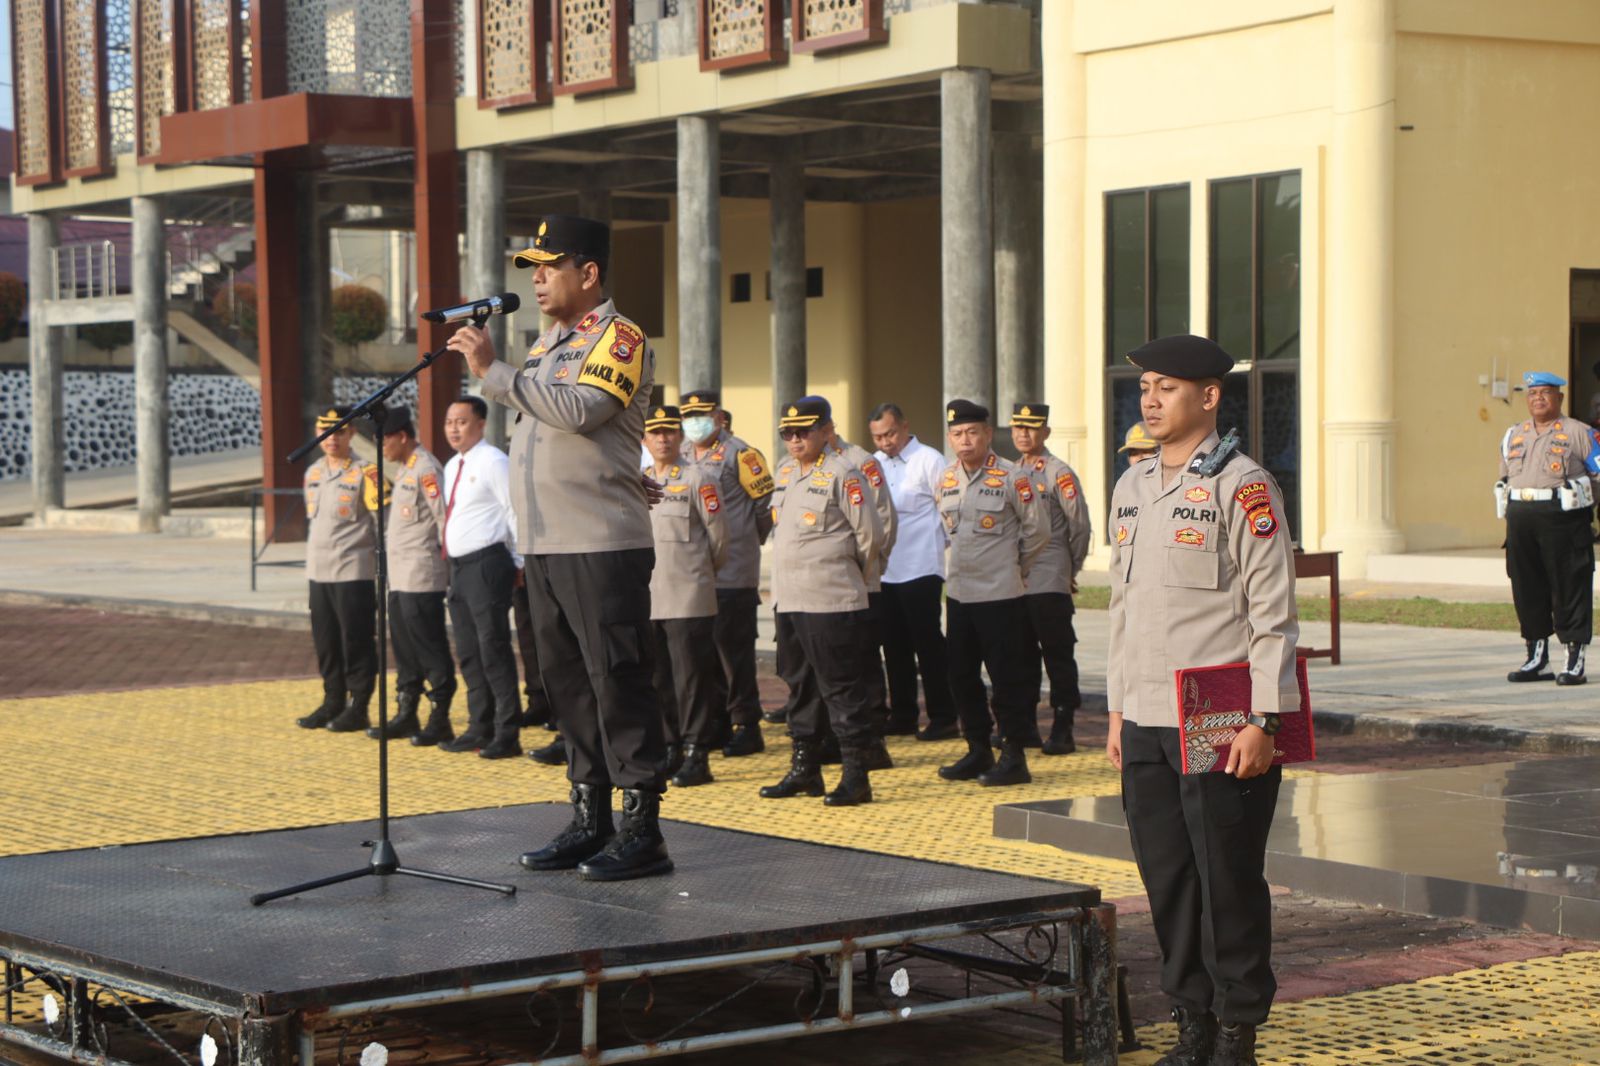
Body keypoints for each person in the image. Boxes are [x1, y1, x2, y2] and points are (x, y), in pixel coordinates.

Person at [451, 213, 672, 883]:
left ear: (590, 272)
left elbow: (580, 411)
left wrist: (492, 372)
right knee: (568, 685)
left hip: (599, 542)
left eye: (550, 266)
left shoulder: (621, 336)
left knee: (617, 680)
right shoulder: (547, 345)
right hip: (545, 543)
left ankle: (642, 829)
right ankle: (590, 817)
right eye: (533, 269)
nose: (538, 279)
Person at [1106, 334, 1300, 1066]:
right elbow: (1123, 610)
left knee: (1228, 883)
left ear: (1210, 396)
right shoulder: (1132, 486)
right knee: (1168, 882)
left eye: (1167, 387)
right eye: (1145, 387)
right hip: (1146, 719)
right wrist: (1118, 710)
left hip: (1219, 721)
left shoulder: (1243, 487)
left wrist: (1263, 719)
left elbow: (1273, 612)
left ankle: (1236, 1032)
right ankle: (1192, 1023)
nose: (1151, 400)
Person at [761, 396, 886, 806]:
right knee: (799, 686)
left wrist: (851, 578)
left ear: (825, 431)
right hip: (790, 599)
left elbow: (870, 536)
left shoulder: (844, 472)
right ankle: (806, 769)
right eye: (788, 433)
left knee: (841, 688)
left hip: (830, 598)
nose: (795, 440)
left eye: (804, 431)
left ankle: (856, 774)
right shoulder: (786, 472)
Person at [935, 400, 1048, 787]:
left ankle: (1013, 755)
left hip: (1001, 595)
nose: (964, 440)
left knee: (1006, 678)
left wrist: (1015, 568)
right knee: (960, 675)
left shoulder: (1014, 476)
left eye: (972, 432)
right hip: (960, 594)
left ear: (987, 434)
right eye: (957, 434)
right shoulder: (946, 479)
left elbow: (1038, 531)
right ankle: (977, 748)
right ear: (950, 438)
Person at [679, 389, 774, 757]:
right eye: (689, 417)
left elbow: (765, 507)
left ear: (719, 417)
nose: (695, 423)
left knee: (734, 652)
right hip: (695, 571)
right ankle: (716, 721)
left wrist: (748, 541)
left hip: (733, 569)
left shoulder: (742, 454)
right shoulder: (681, 454)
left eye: (702, 415)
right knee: (703, 652)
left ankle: (746, 724)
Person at [644, 405, 730, 787]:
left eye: (669, 431)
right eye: (655, 432)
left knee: (692, 679)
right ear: (644, 439)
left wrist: (701, 576)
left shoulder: (699, 478)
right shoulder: (639, 479)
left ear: (679, 437)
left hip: (688, 593)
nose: (663, 439)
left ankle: (697, 752)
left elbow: (719, 539)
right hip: (650, 596)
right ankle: (670, 746)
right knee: (658, 678)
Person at [437, 397, 525, 759]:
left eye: (461, 421)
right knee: (469, 652)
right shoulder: (452, 465)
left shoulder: (494, 461)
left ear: (481, 424)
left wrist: (519, 562)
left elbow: (514, 510)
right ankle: (479, 726)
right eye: (449, 422)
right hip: (459, 568)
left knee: (493, 649)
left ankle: (508, 732)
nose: (454, 429)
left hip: (488, 564)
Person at [1498, 371, 1598, 685]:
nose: (1538, 398)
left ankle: (1574, 661)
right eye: (1533, 393)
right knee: (1526, 587)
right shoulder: (1514, 434)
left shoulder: (1580, 432)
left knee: (1570, 586)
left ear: (1560, 398)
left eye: (1545, 392)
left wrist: (1586, 503)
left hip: (1563, 518)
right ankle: (1537, 659)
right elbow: (1504, 476)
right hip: (1521, 518)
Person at [364, 406, 456, 745]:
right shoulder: (405, 468)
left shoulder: (426, 469)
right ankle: (407, 712)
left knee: (429, 646)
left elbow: (443, 518)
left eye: (384, 441)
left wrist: (452, 566)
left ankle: (440, 716)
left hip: (421, 574)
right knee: (404, 647)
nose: (381, 448)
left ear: (402, 437)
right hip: (400, 576)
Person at [868, 402, 959, 740]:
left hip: (921, 566)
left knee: (928, 643)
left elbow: (948, 509)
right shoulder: (874, 463)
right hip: (886, 569)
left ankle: (943, 716)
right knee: (893, 645)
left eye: (890, 434)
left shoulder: (929, 460)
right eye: (878, 437)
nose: (885, 442)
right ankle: (903, 714)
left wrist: (940, 549)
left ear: (905, 427)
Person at [1010, 403, 1092, 755]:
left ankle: (1063, 726)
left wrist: (1070, 569)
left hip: (1050, 575)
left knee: (1057, 653)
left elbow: (1079, 527)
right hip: (1017, 578)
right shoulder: (1009, 471)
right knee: (1020, 654)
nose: (1024, 434)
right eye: (1018, 427)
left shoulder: (1059, 473)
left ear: (1045, 432)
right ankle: (1025, 726)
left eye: (1031, 428)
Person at [296, 406, 383, 733]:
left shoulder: (367, 472)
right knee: (326, 641)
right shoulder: (313, 472)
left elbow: (381, 524)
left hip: (352, 571)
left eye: (339, 432)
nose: (332, 438)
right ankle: (332, 700)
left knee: (356, 640)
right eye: (325, 431)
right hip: (319, 571)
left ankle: (358, 706)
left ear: (351, 435)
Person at [828, 422, 898, 734]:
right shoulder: (796, 465)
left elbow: (883, 519)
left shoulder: (860, 461)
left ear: (828, 428)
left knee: (864, 650)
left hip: (860, 574)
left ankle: (874, 717)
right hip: (825, 582)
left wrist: (869, 566)